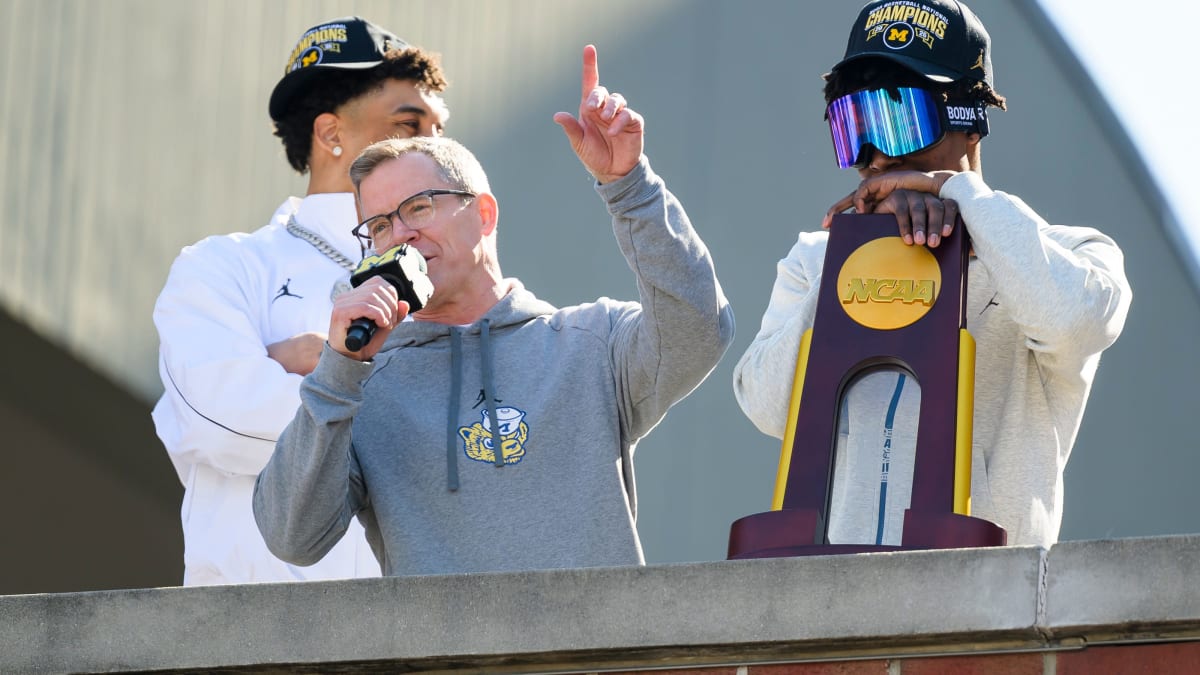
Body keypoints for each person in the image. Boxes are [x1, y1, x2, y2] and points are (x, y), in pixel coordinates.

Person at [252, 46, 735, 576]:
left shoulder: (591, 342)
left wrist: (630, 187)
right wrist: (338, 370)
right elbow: (291, 537)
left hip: (594, 660)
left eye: (418, 207)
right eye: (381, 226)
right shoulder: (365, 387)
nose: (402, 236)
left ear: (482, 213)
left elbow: (699, 330)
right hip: (443, 662)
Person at [732, 0, 1130, 549]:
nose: (874, 156)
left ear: (969, 121)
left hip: (988, 604)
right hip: (833, 596)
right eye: (855, 127)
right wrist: (853, 258)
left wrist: (960, 195)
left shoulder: (1072, 252)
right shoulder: (815, 258)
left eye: (897, 120)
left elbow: (1075, 321)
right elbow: (766, 405)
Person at [152, 16, 450, 585]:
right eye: (409, 124)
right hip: (251, 639)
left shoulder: (452, 279)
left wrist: (322, 366)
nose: (433, 147)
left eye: (438, 130)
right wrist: (400, 390)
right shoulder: (221, 267)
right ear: (331, 134)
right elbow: (221, 423)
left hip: (420, 641)